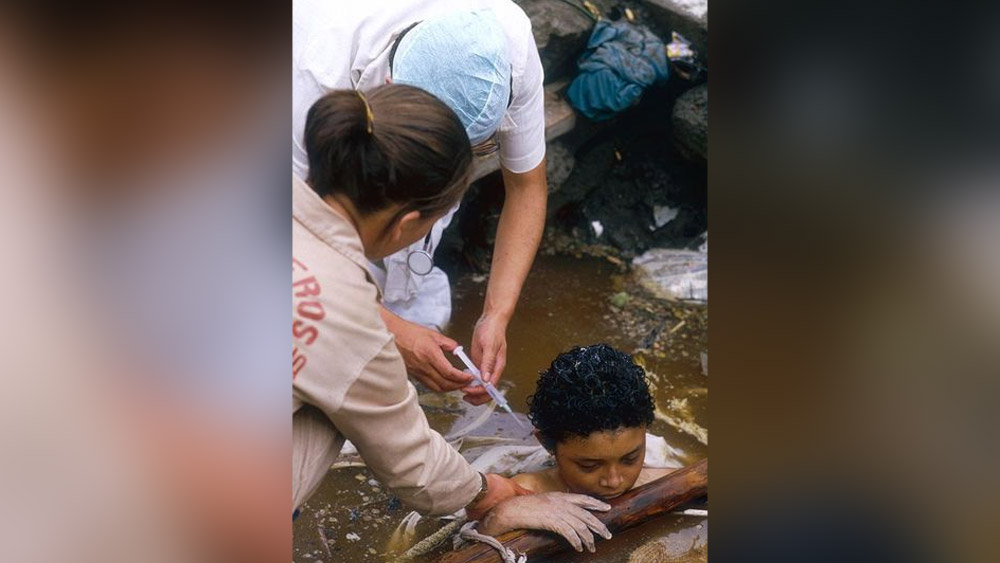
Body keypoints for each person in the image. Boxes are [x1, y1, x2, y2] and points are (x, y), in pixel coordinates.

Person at [292, 85, 607, 548]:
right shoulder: (347, 317)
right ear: (406, 224)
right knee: (338, 409)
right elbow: (409, 460)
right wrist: (489, 491)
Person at [292, 0, 548, 405]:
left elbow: (526, 187)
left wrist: (495, 314)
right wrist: (389, 330)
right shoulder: (313, 80)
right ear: (391, 88)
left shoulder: (503, 48)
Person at [477, 344, 678, 542]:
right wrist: (503, 515)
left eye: (630, 459)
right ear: (547, 443)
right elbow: (469, 544)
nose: (614, 481)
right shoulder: (521, 496)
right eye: (589, 466)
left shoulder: (666, 481)